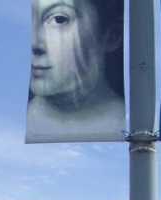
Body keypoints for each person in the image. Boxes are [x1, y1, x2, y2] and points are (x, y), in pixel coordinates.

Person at [26, 0, 126, 143]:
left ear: (112, 36)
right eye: (33, 20)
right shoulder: (11, 123)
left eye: (59, 19)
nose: (35, 45)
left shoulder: (126, 121)